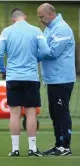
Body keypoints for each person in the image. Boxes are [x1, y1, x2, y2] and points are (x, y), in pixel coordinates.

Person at [0, 8, 50, 157]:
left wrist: (3, 70)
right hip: (31, 77)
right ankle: (32, 149)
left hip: (13, 76)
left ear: (13, 19)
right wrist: (34, 59)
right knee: (31, 112)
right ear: (25, 17)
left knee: (14, 112)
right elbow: (46, 51)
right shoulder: (36, 30)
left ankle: (15, 149)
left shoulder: (6, 32)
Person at [37, 3, 76, 156]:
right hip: (52, 79)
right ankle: (58, 144)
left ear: (50, 14)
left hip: (62, 78)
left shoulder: (62, 29)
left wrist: (32, 56)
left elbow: (52, 52)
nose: (40, 20)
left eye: (41, 16)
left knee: (62, 112)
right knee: (54, 113)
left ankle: (65, 146)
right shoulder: (49, 28)